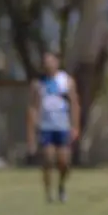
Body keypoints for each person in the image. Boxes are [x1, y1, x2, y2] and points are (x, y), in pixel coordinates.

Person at [27, 52, 79, 203]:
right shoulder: (38, 84)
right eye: (45, 62)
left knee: (64, 162)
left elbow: (74, 104)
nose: (48, 65)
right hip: (46, 127)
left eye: (51, 61)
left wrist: (75, 126)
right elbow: (33, 107)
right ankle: (48, 193)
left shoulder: (66, 81)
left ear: (57, 62)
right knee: (48, 159)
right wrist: (32, 129)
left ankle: (61, 186)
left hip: (62, 126)